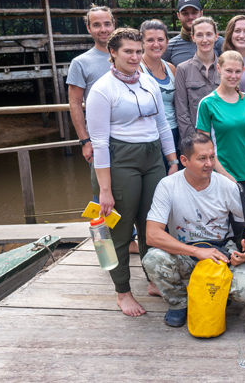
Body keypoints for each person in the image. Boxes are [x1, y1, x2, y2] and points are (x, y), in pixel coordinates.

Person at [86, 28, 178, 317]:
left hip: (152, 158)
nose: (135, 57)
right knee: (120, 231)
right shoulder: (102, 89)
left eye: (138, 51)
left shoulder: (148, 81)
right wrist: (105, 189)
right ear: (113, 52)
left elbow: (162, 125)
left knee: (153, 224)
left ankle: (153, 279)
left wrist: (172, 160)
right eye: (128, 51)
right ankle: (122, 291)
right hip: (120, 159)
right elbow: (99, 142)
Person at [143, 133, 245, 327]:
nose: (209, 164)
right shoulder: (168, 185)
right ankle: (179, 303)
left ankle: (216, 297)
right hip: (184, 250)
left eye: (212, 157)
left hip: (221, 250)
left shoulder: (226, 185)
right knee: (153, 259)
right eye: (202, 158)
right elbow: (152, 234)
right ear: (184, 160)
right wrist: (196, 252)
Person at [195, 50, 245, 204]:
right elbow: (204, 147)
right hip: (222, 174)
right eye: (228, 71)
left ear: (243, 71)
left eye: (237, 71)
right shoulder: (208, 103)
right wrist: (224, 175)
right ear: (219, 69)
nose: (233, 76)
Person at [67, 5, 115, 163]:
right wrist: (85, 141)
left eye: (107, 24)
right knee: (104, 187)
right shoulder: (80, 63)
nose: (103, 29)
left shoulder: (131, 57)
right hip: (99, 139)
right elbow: (75, 104)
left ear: (114, 25)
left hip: (131, 136)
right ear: (88, 28)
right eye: (96, 25)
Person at [173, 17, 220, 140]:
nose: (205, 40)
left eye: (209, 34)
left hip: (224, 140)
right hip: (195, 141)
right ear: (193, 38)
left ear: (216, 36)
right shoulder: (183, 69)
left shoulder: (226, 68)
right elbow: (181, 112)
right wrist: (195, 142)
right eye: (199, 35)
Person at [139, 19, 178, 161]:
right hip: (149, 135)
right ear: (142, 43)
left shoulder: (171, 68)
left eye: (160, 39)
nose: (156, 44)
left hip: (173, 131)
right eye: (150, 40)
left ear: (167, 42)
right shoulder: (137, 70)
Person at [163, 0, 224, 66]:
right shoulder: (169, 47)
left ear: (201, 13)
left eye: (194, 12)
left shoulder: (219, 42)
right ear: (178, 15)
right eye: (185, 13)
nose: (190, 17)